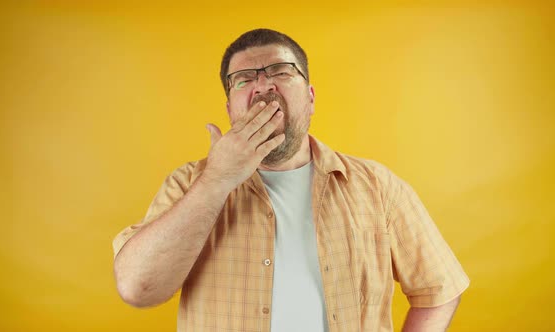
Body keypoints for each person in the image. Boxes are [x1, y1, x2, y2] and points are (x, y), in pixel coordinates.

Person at [112, 28, 469, 332]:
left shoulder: (378, 186)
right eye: (244, 79)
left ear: (310, 98)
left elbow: (439, 289)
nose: (263, 86)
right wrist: (217, 180)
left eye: (281, 71)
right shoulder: (188, 183)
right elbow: (137, 288)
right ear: (229, 108)